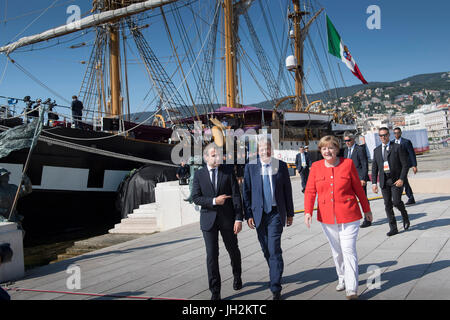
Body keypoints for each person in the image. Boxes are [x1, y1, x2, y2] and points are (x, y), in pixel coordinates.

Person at [304, 135, 372, 300]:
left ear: (337, 149)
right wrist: (308, 212)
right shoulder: (316, 167)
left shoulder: (347, 164)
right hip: (327, 217)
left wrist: (366, 209)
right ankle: (341, 277)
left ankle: (351, 288)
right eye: (324, 148)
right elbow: (310, 191)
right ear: (320, 150)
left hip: (349, 214)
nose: (328, 151)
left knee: (348, 250)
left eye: (331, 147)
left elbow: (357, 187)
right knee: (337, 252)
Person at [242, 136, 294, 300]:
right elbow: (246, 192)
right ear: (258, 151)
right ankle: (275, 270)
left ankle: (275, 287)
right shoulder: (250, 167)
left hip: (275, 213)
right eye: (262, 149)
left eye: (268, 148)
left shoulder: (281, 166)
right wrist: (248, 214)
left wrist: (290, 213)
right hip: (258, 215)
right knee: (266, 249)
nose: (265, 151)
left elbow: (287, 191)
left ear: (272, 150)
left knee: (274, 249)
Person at [191, 144, 243, 300]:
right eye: (214, 155)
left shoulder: (227, 172)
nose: (217, 157)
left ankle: (237, 275)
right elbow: (196, 197)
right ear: (206, 157)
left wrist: (238, 218)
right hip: (208, 221)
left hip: (228, 219)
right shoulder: (199, 175)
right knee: (212, 256)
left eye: (219, 154)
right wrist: (214, 201)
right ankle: (215, 291)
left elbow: (236, 196)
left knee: (233, 250)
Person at [372, 127, 410, 236]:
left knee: (396, 202)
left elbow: (405, 165)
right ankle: (393, 228)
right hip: (384, 181)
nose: (383, 137)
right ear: (379, 137)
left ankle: (404, 215)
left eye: (385, 135)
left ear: (389, 135)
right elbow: (374, 168)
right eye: (381, 135)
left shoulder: (397, 147)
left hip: (396, 180)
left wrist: (402, 178)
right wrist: (374, 183)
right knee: (387, 204)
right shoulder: (377, 150)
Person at [343, 132, 371, 228]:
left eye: (349, 140)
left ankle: (367, 219)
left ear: (353, 139)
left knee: (363, 199)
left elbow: (364, 164)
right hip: (348, 179)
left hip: (359, 179)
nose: (347, 142)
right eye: (345, 141)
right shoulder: (346, 151)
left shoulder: (359, 149)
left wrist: (363, 178)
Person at [393, 127, 417, 205]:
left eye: (398, 133)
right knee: (403, 181)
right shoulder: (392, 143)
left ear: (400, 133)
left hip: (405, 165)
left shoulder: (406, 142)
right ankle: (409, 197)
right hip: (397, 166)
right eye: (395, 133)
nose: (396, 134)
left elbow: (411, 154)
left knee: (403, 180)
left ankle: (407, 197)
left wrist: (414, 165)